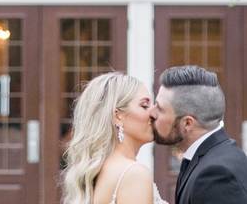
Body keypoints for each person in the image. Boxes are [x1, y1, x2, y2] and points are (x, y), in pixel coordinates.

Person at [151, 65, 247, 204]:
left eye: (159, 108)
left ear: (187, 123)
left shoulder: (216, 176)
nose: (152, 113)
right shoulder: (214, 157)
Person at [62, 72, 169, 204]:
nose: (153, 113)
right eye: (144, 106)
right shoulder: (134, 174)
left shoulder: (98, 171)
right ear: (117, 116)